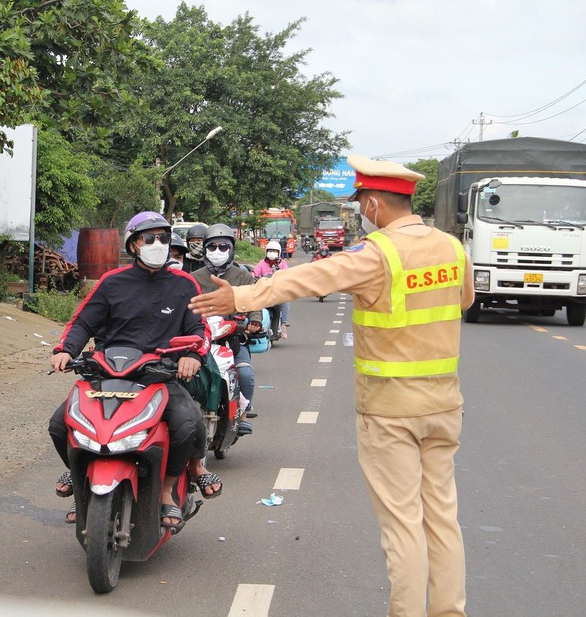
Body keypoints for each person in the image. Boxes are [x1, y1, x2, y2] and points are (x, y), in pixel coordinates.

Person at [188, 155, 474, 617]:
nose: (361, 210)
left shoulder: (379, 253)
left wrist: (239, 296)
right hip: (444, 405)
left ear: (376, 204)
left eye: (361, 201)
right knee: (442, 518)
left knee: (403, 525)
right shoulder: (452, 248)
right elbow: (464, 299)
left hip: (391, 410)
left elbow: (310, 277)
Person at [49, 211, 221, 530]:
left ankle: (167, 493)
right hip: (107, 374)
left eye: (164, 238)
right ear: (133, 245)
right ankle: (80, 480)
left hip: (159, 375)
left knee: (187, 424)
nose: (159, 244)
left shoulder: (184, 284)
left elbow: (200, 329)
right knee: (61, 424)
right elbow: (83, 322)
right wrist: (65, 350)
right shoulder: (111, 282)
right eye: (150, 238)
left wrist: (192, 355)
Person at [191, 224, 261, 428]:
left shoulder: (244, 277)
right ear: (204, 251)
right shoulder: (194, 279)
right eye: (212, 247)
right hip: (199, 339)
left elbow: (255, 301)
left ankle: (244, 413)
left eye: (223, 247)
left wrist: (254, 320)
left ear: (231, 250)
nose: (217, 252)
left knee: (245, 374)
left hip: (232, 340)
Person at [252, 240, 290, 340]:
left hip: (277, 293)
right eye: (270, 251)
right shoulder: (261, 263)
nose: (272, 253)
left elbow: (287, 275)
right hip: (264, 292)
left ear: (279, 252)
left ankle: (283, 325)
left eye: (274, 251)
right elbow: (254, 274)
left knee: (285, 302)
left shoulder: (282, 264)